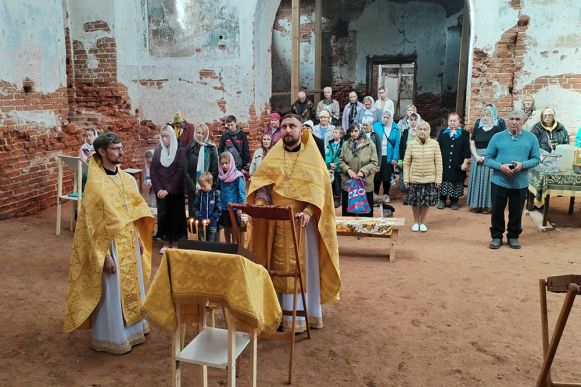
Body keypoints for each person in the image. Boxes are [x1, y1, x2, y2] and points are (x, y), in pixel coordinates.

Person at [247, 113, 341, 332]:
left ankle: (304, 315)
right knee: (274, 268)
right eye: (284, 126)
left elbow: (320, 192)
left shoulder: (312, 157)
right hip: (276, 223)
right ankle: (276, 313)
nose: (287, 130)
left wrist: (309, 211)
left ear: (302, 130)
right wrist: (260, 203)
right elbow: (263, 186)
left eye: (292, 126)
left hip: (302, 224)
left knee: (304, 269)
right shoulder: (273, 155)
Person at [64, 132, 155, 354]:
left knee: (134, 286)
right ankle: (113, 337)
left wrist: (137, 237)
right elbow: (90, 226)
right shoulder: (95, 185)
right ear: (102, 152)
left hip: (128, 241)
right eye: (115, 149)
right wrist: (103, 255)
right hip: (109, 245)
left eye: (121, 148)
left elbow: (132, 211)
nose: (121, 152)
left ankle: (136, 329)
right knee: (112, 292)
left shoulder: (127, 179)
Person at [485, 110, 540, 249]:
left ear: (523, 121)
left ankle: (513, 237)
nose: (514, 122)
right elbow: (487, 159)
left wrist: (522, 165)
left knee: (516, 212)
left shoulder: (531, 138)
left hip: (520, 183)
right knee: (497, 211)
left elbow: (536, 159)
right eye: (511, 119)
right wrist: (500, 166)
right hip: (499, 181)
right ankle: (497, 236)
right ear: (507, 120)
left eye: (517, 119)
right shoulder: (497, 137)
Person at [151, 125, 187, 253]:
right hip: (161, 192)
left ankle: (176, 242)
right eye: (163, 136)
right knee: (163, 217)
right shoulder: (158, 152)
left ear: (172, 137)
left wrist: (168, 189)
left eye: (167, 136)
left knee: (176, 217)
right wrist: (159, 189)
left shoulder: (180, 151)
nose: (164, 139)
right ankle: (165, 242)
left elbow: (180, 171)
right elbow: (153, 171)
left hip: (176, 191)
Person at [403, 122, 442, 232]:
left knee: (426, 202)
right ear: (417, 130)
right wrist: (406, 179)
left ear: (428, 131)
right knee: (415, 202)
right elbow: (406, 163)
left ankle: (422, 222)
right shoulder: (411, 144)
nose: (422, 131)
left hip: (430, 179)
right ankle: (416, 222)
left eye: (425, 129)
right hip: (415, 179)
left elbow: (438, 162)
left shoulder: (435, 144)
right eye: (420, 129)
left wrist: (438, 179)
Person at [466, 106, 504, 213]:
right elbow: (472, 144)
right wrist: (477, 156)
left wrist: (487, 156)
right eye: (483, 116)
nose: (485, 118)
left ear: (492, 117)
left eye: (488, 115)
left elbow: (499, 145)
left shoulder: (497, 129)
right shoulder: (477, 129)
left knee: (488, 183)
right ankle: (476, 204)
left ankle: (487, 206)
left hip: (490, 159)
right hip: (477, 158)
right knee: (477, 181)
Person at [338, 122, 379, 217]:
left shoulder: (370, 145)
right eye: (351, 131)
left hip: (364, 184)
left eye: (356, 131)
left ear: (361, 131)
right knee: (348, 215)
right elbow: (340, 161)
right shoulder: (345, 144)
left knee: (365, 216)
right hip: (348, 184)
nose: (353, 133)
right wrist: (348, 170)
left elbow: (374, 163)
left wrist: (362, 171)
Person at [437, 112, 471, 210]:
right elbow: (438, 147)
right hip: (444, 163)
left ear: (459, 122)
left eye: (454, 120)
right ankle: (442, 200)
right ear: (448, 122)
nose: (452, 123)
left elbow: (466, 149)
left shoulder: (464, 134)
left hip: (458, 164)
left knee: (456, 181)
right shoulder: (443, 133)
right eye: (450, 121)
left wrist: (465, 162)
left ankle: (454, 201)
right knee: (444, 181)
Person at [185, 124, 219, 214]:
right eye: (198, 132)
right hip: (193, 188)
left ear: (206, 134)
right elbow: (185, 170)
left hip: (207, 188)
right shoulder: (189, 148)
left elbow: (215, 169)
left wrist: (205, 184)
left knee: (206, 215)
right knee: (194, 215)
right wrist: (193, 186)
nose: (200, 135)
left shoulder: (211, 148)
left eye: (202, 133)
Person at [218, 151, 246, 243]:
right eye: (222, 163)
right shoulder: (221, 176)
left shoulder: (237, 176)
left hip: (234, 207)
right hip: (224, 206)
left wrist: (239, 207)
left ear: (231, 162)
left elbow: (241, 192)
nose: (224, 166)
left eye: (226, 163)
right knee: (226, 227)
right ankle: (227, 245)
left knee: (234, 227)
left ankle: (234, 245)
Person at [373, 110, 400, 204]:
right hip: (377, 155)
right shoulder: (376, 126)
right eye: (384, 117)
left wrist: (395, 158)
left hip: (389, 156)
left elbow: (397, 144)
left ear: (391, 118)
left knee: (386, 177)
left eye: (388, 117)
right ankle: (375, 195)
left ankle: (386, 195)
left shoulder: (396, 128)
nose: (386, 119)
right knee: (377, 176)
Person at [398, 112, 422, 201]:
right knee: (404, 181)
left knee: (415, 180)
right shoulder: (405, 131)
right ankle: (407, 196)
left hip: (417, 161)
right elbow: (401, 147)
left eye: (415, 120)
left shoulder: (421, 132)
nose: (413, 122)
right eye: (411, 120)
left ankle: (414, 197)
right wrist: (400, 161)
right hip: (406, 160)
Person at [192, 172, 222, 242]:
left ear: (210, 183)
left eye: (204, 185)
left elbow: (219, 209)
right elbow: (194, 207)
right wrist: (199, 216)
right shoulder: (199, 194)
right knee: (202, 243)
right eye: (200, 186)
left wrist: (211, 219)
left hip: (212, 223)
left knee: (211, 243)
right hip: (201, 223)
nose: (202, 187)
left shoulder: (216, 194)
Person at [326, 127, 345, 208]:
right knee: (330, 184)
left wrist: (336, 164)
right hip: (330, 168)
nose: (334, 134)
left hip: (338, 169)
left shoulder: (343, 144)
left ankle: (337, 200)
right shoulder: (329, 143)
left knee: (337, 184)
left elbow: (344, 156)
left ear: (340, 135)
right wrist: (329, 162)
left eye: (336, 132)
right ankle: (331, 199)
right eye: (333, 132)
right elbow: (327, 154)